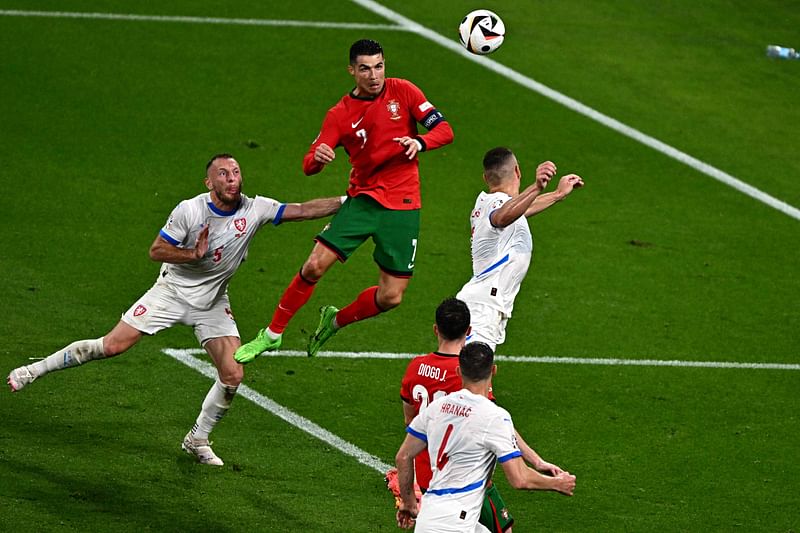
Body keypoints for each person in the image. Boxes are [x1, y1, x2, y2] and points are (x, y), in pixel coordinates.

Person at [7, 154, 343, 466]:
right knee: (111, 346)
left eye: (236, 172)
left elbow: (301, 209)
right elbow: (157, 250)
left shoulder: (255, 209)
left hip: (213, 303)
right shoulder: (190, 211)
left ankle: (197, 438)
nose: (232, 179)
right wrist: (191, 255)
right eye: (223, 174)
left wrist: (347, 203)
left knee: (233, 373)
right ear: (209, 183)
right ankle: (32, 371)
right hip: (170, 293)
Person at [235, 38, 454, 362]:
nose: (374, 75)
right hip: (363, 201)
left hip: (404, 205)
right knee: (313, 266)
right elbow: (309, 163)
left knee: (392, 296)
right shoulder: (340, 114)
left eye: (379, 66)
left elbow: (445, 130)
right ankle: (272, 335)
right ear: (352, 70)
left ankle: (334, 321)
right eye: (365, 68)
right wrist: (319, 158)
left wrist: (420, 142)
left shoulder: (404, 91)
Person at [396, 297, 566, 532]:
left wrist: (408, 499)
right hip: (465, 471)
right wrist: (536, 461)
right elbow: (497, 425)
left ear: (436, 329)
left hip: (430, 473)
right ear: (469, 330)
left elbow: (409, 422)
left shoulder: (416, 367)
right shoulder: (469, 372)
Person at [456, 147, 584, 351]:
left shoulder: (490, 203)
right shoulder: (497, 204)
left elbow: (521, 210)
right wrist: (536, 187)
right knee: (472, 377)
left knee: (475, 377)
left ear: (485, 177)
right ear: (517, 171)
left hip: (484, 303)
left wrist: (557, 194)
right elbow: (502, 216)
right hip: (484, 308)